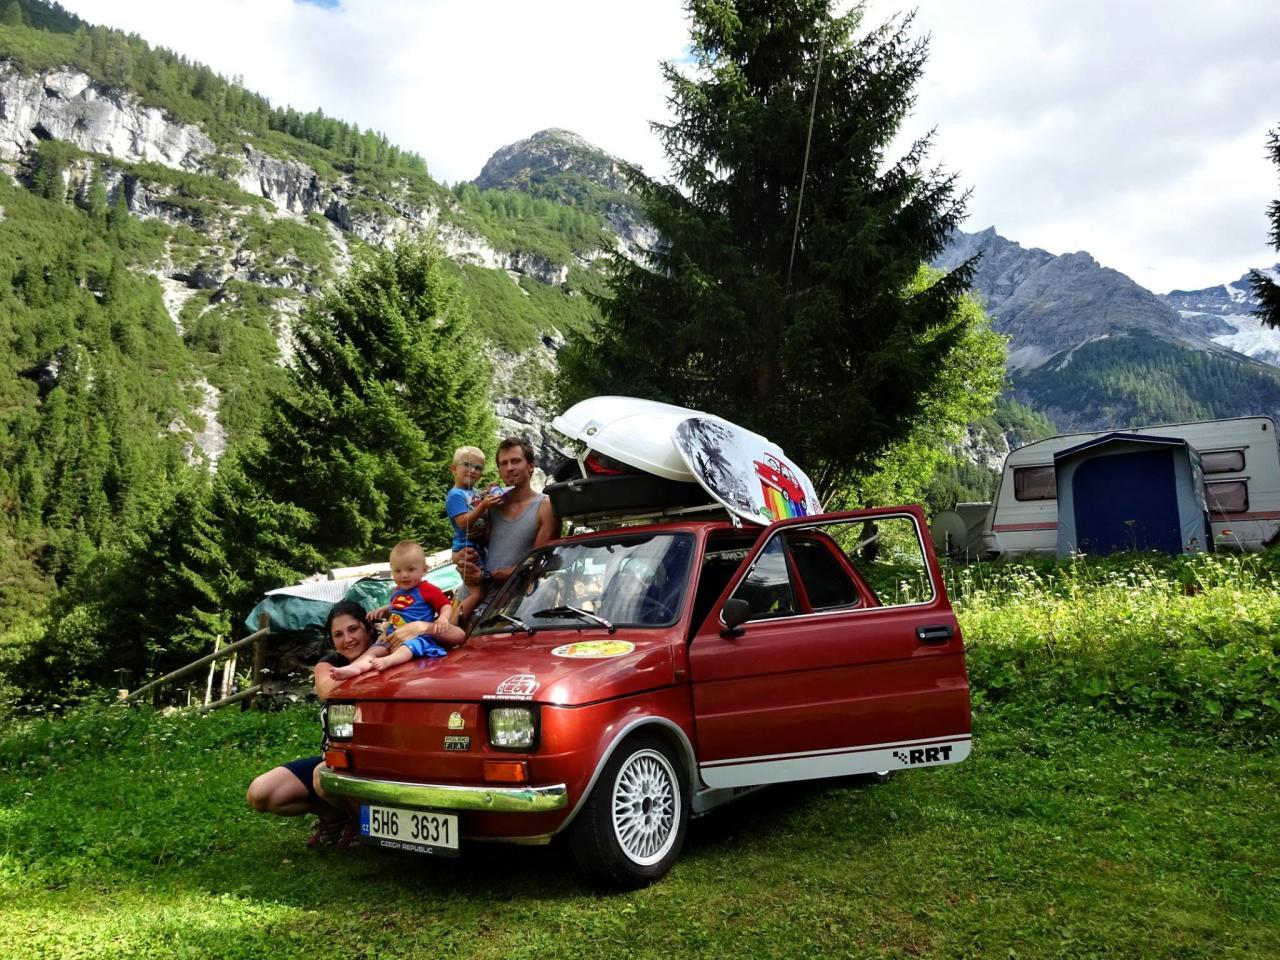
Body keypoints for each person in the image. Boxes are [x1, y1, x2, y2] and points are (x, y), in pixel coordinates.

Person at [245, 600, 373, 846]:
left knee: (320, 777)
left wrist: (379, 653)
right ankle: (337, 817)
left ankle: (360, 824)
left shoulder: (389, 660)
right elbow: (326, 690)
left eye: (353, 629)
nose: (348, 639)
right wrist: (369, 659)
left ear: (368, 629)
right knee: (261, 793)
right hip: (334, 757)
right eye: (338, 634)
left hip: (372, 762)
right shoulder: (329, 663)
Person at [328, 540, 466, 680]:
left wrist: (443, 618)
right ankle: (355, 668)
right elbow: (398, 608)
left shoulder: (427, 589)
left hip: (417, 637)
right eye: (398, 571)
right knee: (374, 650)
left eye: (410, 569)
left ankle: (389, 660)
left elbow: (445, 605)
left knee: (407, 648)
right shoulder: (397, 591)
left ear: (424, 570)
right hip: (392, 635)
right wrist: (384, 610)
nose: (404, 575)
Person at [453, 437, 559, 615]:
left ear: (531, 466)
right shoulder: (489, 503)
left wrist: (487, 576)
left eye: (516, 461)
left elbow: (538, 563)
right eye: (503, 463)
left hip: (508, 608)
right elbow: (467, 537)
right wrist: (458, 555)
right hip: (468, 597)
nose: (509, 468)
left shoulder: (545, 506)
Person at [445, 445, 506, 622]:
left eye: (478, 468)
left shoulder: (472, 492)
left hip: (478, 546)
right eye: (467, 465)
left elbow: (476, 501)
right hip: (466, 547)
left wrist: (488, 491)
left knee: (481, 590)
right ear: (454, 469)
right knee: (477, 593)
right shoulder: (455, 495)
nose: (472, 470)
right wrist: (484, 505)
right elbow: (463, 523)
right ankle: (453, 625)